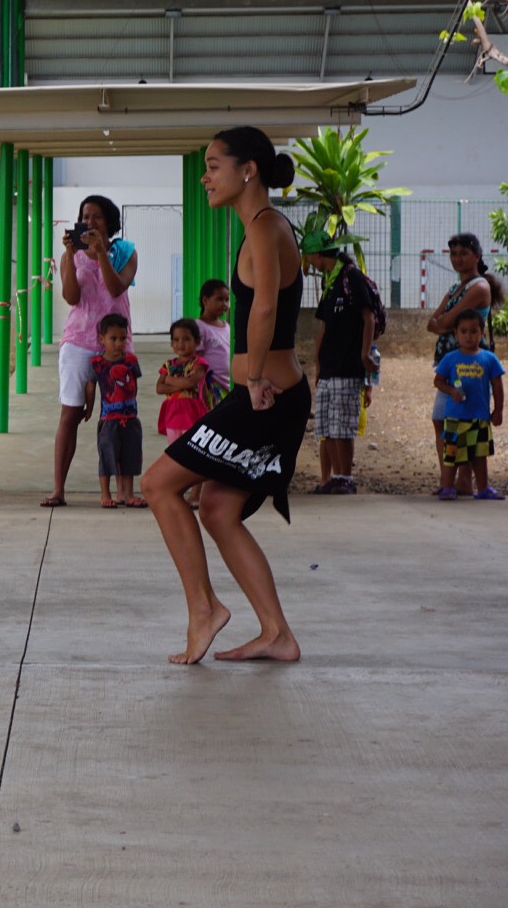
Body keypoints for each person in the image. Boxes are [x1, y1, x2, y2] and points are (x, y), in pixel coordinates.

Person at [140, 126, 306, 665]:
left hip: (267, 395)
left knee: (159, 484)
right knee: (216, 507)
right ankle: (276, 633)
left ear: (248, 170)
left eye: (214, 165)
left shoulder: (264, 227)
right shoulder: (261, 225)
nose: (206, 176)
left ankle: (204, 610)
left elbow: (263, 310)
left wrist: (254, 378)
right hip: (268, 393)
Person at [44, 195, 139, 507]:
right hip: (79, 341)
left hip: (116, 342)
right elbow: (71, 297)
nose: (90, 222)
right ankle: (58, 489)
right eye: (85, 216)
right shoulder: (70, 254)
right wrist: (71, 256)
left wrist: (101, 255)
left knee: (121, 415)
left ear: (110, 221)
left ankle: (123, 491)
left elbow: (115, 288)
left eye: (97, 217)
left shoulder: (125, 252)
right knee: (70, 413)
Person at [427, 232, 506, 493]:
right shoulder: (455, 288)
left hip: (468, 365)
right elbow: (432, 323)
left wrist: (444, 323)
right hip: (450, 363)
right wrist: (442, 322)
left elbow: (446, 322)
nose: (457, 258)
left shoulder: (479, 287)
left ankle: (460, 480)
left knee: (463, 420)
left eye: (463, 253)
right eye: (454, 254)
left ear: (477, 256)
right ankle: (452, 479)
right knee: (445, 420)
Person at [304, 231, 377, 495]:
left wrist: (364, 353)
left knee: (341, 423)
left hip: (347, 363)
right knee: (327, 424)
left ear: (316, 254)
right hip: (329, 365)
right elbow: (324, 326)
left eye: (309, 256)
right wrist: (318, 362)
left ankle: (345, 476)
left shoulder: (350, 277)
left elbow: (368, 317)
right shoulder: (330, 281)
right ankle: (333, 477)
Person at [433, 310, 506, 501]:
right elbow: (438, 381)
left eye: (474, 331)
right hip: (455, 416)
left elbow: (497, 386)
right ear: (456, 334)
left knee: (479, 455)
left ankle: (483, 488)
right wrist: (451, 391)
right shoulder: (450, 358)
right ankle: (447, 487)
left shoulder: (489, 358)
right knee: (451, 454)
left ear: (482, 332)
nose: (469, 336)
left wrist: (498, 410)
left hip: (479, 416)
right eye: (463, 331)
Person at [87, 314, 145, 508]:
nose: (118, 343)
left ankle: (128, 494)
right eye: (113, 338)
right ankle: (106, 494)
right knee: (107, 456)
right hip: (108, 420)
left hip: (130, 418)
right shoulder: (97, 364)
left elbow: (133, 384)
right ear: (102, 339)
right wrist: (89, 409)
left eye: (122, 338)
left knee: (129, 457)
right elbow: (90, 386)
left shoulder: (131, 361)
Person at [157, 317, 213, 446]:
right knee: (175, 454)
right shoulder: (168, 365)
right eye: (176, 340)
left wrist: (169, 379)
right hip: (172, 416)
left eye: (186, 339)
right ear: (171, 343)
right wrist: (181, 384)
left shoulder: (199, 363)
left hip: (192, 415)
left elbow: (190, 383)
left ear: (197, 341)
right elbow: (159, 388)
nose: (181, 344)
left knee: (193, 453)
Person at [197, 279, 233, 405]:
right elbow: (197, 360)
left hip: (228, 385)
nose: (224, 304)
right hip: (211, 385)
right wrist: (203, 388)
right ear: (205, 300)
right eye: (219, 299)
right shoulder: (200, 327)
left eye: (227, 300)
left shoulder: (227, 327)